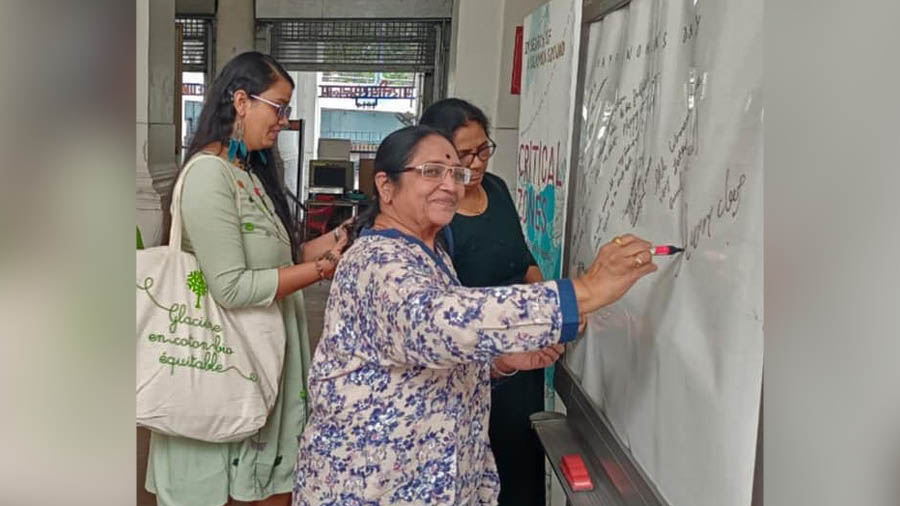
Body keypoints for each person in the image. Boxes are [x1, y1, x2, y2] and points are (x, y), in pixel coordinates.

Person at [292, 125, 657, 505]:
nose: (450, 185)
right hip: (373, 488)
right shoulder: (376, 261)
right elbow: (435, 325)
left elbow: (418, 363)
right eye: (432, 171)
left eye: (457, 174)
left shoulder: (429, 254)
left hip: (432, 481)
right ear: (386, 186)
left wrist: (498, 363)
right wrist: (582, 292)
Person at [145, 51, 349, 506]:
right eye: (278, 107)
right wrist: (319, 271)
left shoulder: (247, 173)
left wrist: (341, 239)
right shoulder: (208, 175)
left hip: (264, 364)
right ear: (241, 101)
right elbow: (233, 287)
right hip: (221, 369)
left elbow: (279, 257)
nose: (283, 121)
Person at [419, 98, 550, 505]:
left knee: (520, 468)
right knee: (472, 474)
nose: (476, 163)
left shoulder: (496, 189)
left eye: (483, 150)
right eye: (464, 154)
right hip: (469, 366)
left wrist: (545, 300)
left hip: (520, 363)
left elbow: (522, 258)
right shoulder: (434, 211)